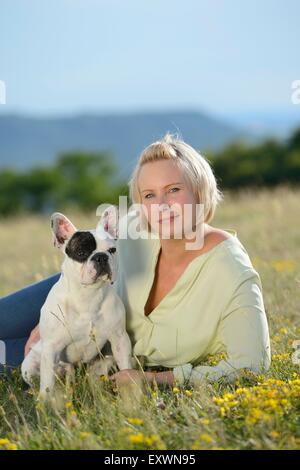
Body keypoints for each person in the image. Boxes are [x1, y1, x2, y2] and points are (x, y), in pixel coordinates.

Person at [0, 133, 271, 388]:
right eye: (149, 195)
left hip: (94, 352)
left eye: (174, 189)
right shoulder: (133, 227)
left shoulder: (231, 271)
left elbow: (252, 365)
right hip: (68, 298)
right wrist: (48, 317)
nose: (161, 206)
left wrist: (154, 379)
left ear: (200, 192)